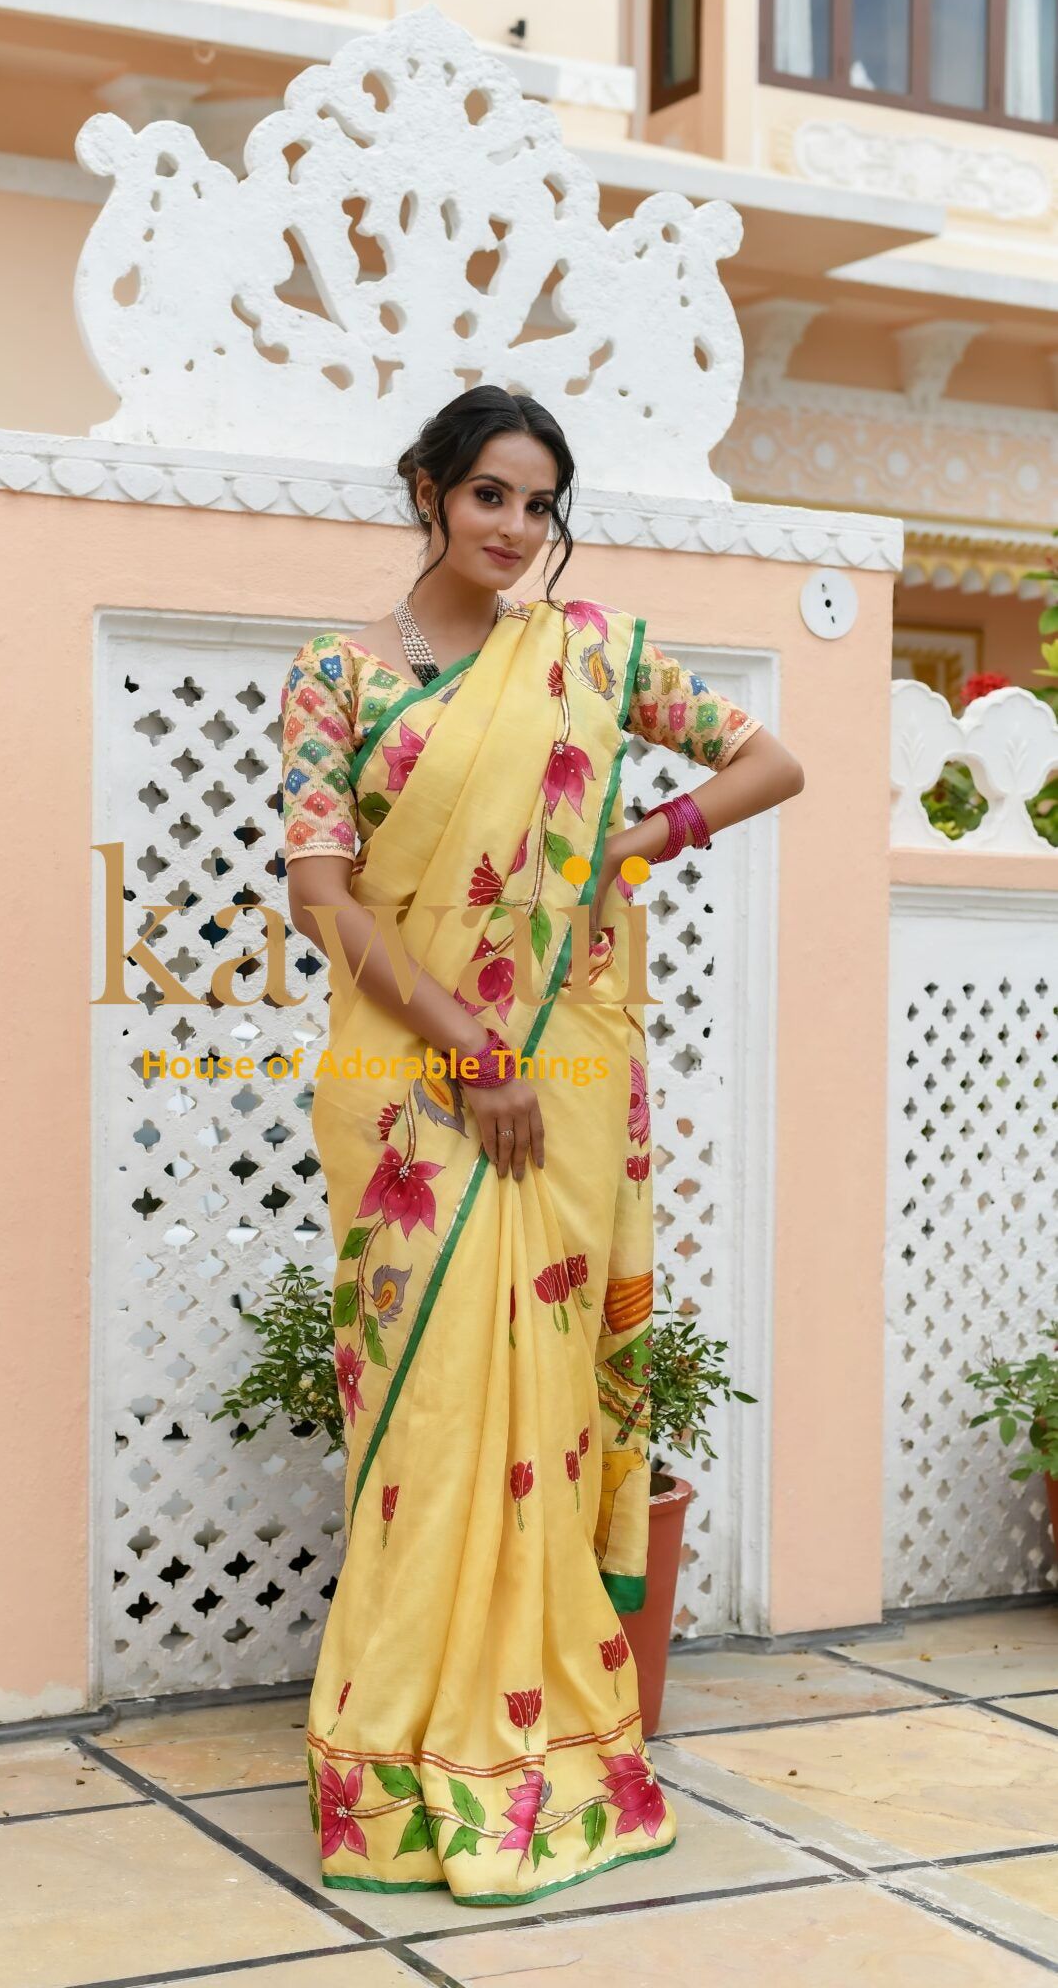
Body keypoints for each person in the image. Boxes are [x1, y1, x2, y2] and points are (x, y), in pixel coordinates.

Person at [277, 384, 804, 1904]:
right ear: (430, 490)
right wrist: (469, 1045)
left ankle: (538, 1740)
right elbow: (326, 896)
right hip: (407, 1086)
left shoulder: (587, 657)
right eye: (490, 494)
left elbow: (769, 763)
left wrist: (647, 837)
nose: (515, 530)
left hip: (563, 1082)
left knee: (540, 1403)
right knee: (431, 1411)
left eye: (539, 503)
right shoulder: (339, 677)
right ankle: (397, 1757)